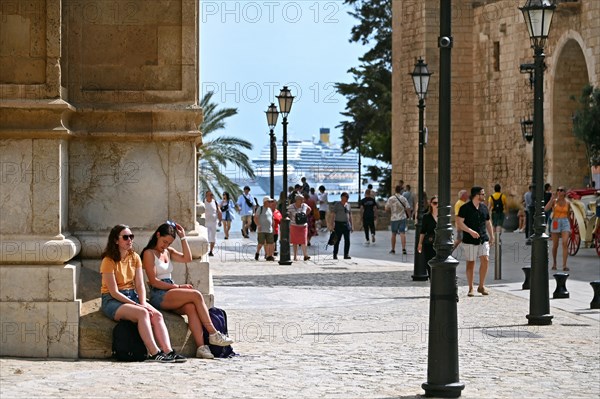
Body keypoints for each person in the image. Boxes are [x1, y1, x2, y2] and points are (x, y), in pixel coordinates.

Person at [141, 222, 234, 359]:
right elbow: (154, 281)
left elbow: (187, 258)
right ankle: (213, 333)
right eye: (164, 241)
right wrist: (179, 287)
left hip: (170, 291)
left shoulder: (168, 251)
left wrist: (183, 237)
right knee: (196, 295)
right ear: (158, 235)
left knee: (191, 307)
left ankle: (201, 347)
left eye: (169, 243)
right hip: (159, 293)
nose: (165, 245)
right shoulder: (149, 253)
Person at [100, 224, 186, 363]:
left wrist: (143, 301)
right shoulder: (108, 261)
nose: (130, 240)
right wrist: (138, 305)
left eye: (131, 237)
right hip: (112, 301)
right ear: (116, 240)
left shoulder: (134, 257)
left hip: (132, 295)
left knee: (157, 314)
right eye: (126, 237)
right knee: (143, 313)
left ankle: (168, 351)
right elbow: (114, 292)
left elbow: (140, 284)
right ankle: (154, 353)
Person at [457, 186, 494, 297]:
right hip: (469, 240)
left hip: (483, 238)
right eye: (482, 194)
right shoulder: (465, 208)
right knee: (471, 263)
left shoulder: (484, 208)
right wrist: (470, 231)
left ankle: (481, 286)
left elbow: (488, 222)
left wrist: (492, 236)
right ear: (476, 195)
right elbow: (459, 222)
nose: (484, 195)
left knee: (485, 260)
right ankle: (471, 288)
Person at [544, 186, 571, 271]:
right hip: (555, 222)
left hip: (565, 222)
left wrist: (570, 227)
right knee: (555, 245)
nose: (559, 191)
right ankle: (554, 263)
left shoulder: (568, 203)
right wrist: (552, 199)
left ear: (564, 193)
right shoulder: (554, 202)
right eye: (558, 190)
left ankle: (564, 265)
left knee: (565, 242)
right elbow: (546, 209)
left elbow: (568, 215)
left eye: (561, 190)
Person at [385, 185, 411, 255]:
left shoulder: (391, 199)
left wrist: (391, 212)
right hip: (402, 217)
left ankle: (393, 249)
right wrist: (409, 216)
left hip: (394, 218)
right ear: (401, 191)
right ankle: (404, 249)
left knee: (394, 234)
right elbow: (408, 208)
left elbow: (386, 208)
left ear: (395, 190)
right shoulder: (403, 198)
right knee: (402, 233)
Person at [417, 195, 438, 278]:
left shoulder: (443, 216)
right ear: (431, 204)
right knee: (429, 262)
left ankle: (438, 279)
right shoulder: (426, 216)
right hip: (429, 243)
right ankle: (431, 279)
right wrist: (420, 244)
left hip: (440, 243)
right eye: (435, 203)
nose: (437, 205)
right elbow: (423, 231)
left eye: (438, 203)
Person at [327, 192, 353, 260]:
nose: (347, 198)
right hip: (338, 224)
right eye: (346, 197)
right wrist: (332, 225)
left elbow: (350, 215)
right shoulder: (337, 205)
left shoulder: (348, 205)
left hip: (346, 224)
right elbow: (333, 215)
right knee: (337, 240)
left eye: (347, 197)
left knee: (347, 240)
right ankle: (335, 254)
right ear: (342, 197)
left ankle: (346, 254)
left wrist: (351, 225)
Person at [288, 194, 311, 261]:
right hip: (294, 225)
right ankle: (295, 256)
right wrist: (292, 218)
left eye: (303, 199)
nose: (302, 201)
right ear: (296, 200)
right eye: (301, 199)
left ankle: (305, 255)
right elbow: (288, 213)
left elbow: (309, 209)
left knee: (304, 240)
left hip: (303, 226)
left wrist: (305, 215)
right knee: (295, 242)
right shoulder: (291, 207)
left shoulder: (305, 205)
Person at [254, 197, 275, 261]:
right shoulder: (260, 209)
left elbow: (271, 218)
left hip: (269, 229)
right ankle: (257, 253)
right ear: (265, 202)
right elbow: (255, 217)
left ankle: (269, 255)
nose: (270, 203)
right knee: (261, 243)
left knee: (270, 243)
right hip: (261, 230)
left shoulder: (270, 209)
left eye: (271, 202)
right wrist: (258, 225)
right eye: (269, 202)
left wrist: (273, 226)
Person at [204, 190, 221, 256]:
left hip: (214, 223)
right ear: (206, 196)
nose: (211, 196)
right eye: (210, 195)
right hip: (206, 223)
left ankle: (211, 251)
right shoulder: (203, 202)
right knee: (206, 237)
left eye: (212, 195)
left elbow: (219, 212)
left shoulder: (215, 202)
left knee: (213, 237)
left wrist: (220, 221)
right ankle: (206, 250)